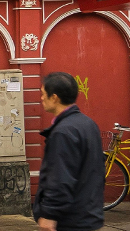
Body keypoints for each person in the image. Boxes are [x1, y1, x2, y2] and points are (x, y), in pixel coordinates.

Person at [33, 72, 104, 231]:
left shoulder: (63, 132)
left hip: (71, 220)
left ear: (55, 97)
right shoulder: (87, 124)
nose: (41, 98)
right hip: (89, 214)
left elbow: (60, 177)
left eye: (44, 94)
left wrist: (50, 214)